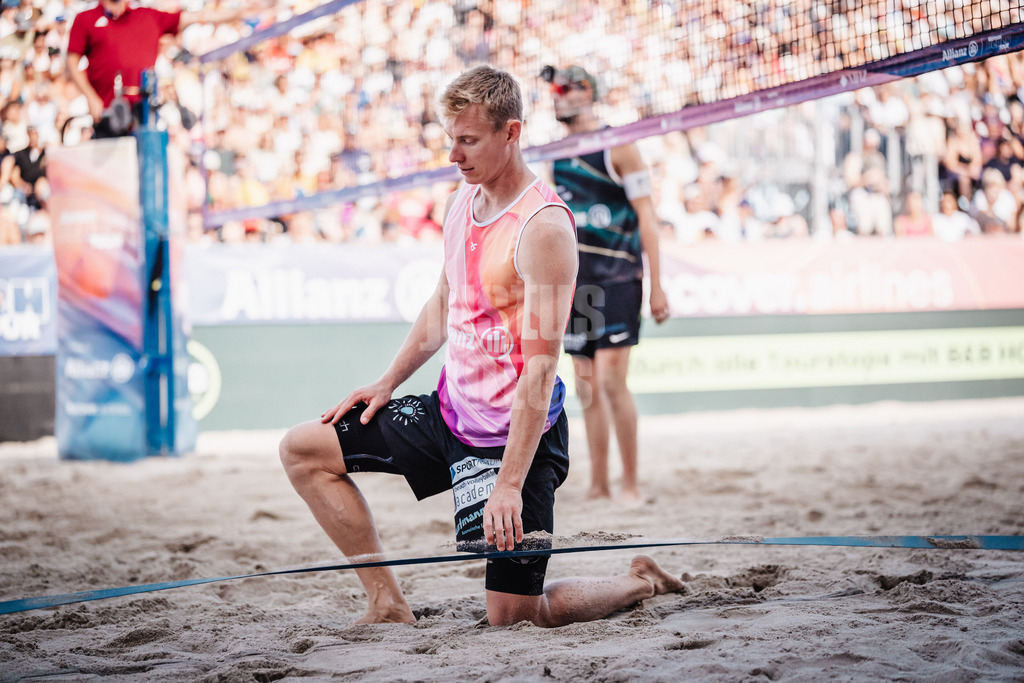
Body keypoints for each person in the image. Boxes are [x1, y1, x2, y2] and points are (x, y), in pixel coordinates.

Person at [278, 65, 682, 628]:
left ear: (511, 133)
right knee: (302, 450)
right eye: (452, 139)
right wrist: (388, 381)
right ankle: (386, 603)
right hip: (451, 414)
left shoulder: (543, 227)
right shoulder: (459, 202)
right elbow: (444, 305)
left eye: (468, 141)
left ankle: (639, 580)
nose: (453, 155)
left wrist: (508, 485)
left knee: (515, 618)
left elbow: (540, 371)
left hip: (517, 438)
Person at [542, 64, 670, 504]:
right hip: (577, 284)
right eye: (554, 90)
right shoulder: (555, 155)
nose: (558, 97)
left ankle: (630, 484)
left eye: (566, 89)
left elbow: (647, 214)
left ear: (588, 93)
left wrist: (656, 284)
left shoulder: (618, 144)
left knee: (612, 380)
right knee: (586, 385)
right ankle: (598, 485)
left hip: (619, 276)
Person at [66, 0, 249, 138]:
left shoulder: (147, 16)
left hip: (144, 114)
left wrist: (238, 13)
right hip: (108, 115)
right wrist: (91, 97)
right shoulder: (86, 19)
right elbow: (72, 62)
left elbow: (195, 17)